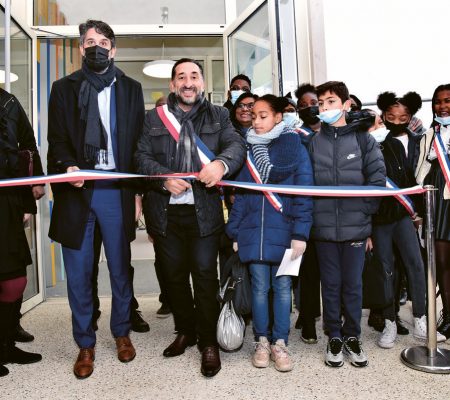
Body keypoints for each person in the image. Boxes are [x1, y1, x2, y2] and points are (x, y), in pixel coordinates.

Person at [135, 58, 246, 377]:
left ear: (202, 82)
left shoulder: (220, 115)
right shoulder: (153, 118)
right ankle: (185, 330)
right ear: (172, 85)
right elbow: (140, 156)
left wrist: (221, 165)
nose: (187, 82)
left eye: (194, 76)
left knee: (204, 277)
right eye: (181, 77)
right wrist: (161, 177)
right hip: (164, 214)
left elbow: (235, 145)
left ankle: (208, 342)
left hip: (204, 214)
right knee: (173, 277)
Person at [47, 20, 145, 379]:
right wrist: (68, 165)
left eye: (103, 42)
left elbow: (138, 143)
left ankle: (121, 332)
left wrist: (136, 194)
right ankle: (85, 342)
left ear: (114, 49)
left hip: (116, 191)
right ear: (80, 49)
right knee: (77, 273)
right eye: (90, 41)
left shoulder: (132, 89)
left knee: (120, 269)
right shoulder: (63, 89)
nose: (97, 47)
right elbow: (55, 138)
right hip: (77, 191)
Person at [226, 94, 313, 372]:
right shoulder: (247, 149)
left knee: (284, 289)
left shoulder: (295, 148)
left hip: (287, 232)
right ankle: (262, 339)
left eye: (264, 116)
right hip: (254, 233)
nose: (257, 121)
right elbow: (240, 196)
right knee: (260, 289)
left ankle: (280, 342)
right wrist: (236, 232)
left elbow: (304, 195)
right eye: (254, 116)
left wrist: (301, 233)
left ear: (278, 117)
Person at [308, 81, 386, 368]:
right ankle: (334, 336)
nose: (324, 107)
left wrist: (363, 217)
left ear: (345, 104)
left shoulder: (365, 140)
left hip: (356, 228)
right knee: (330, 285)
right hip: (324, 229)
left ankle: (353, 335)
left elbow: (377, 182)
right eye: (320, 103)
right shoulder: (313, 142)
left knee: (353, 285)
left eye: (329, 101)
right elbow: (307, 185)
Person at [370, 92, 446, 348]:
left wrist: (420, 213)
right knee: (385, 268)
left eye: (403, 117)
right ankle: (390, 321)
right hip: (381, 216)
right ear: (383, 115)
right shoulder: (377, 141)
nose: (396, 121)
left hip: (409, 215)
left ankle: (421, 317)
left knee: (415, 265)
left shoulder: (420, 140)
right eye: (391, 116)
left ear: (411, 117)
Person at [0, 88, 44, 377]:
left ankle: (6, 340)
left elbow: (27, 146)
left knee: (15, 279)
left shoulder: (8, 101)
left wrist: (30, 195)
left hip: (7, 200)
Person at [416, 83, 450, 339]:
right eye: (438, 101)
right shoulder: (429, 136)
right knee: (441, 262)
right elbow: (420, 172)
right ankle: (448, 315)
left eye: (447, 100)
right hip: (439, 201)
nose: (442, 106)